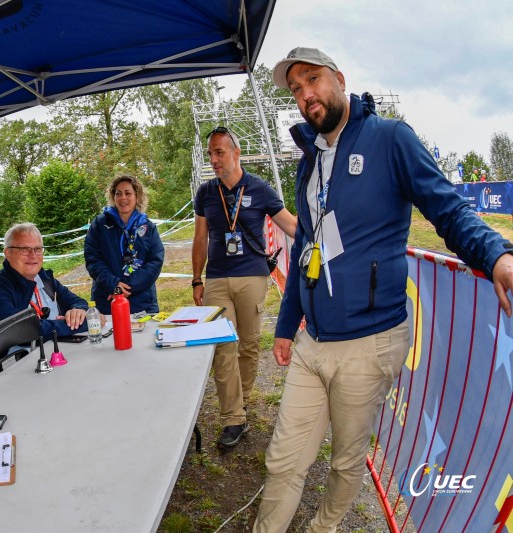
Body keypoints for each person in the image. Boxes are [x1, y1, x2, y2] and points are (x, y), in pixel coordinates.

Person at [253, 47, 513, 533]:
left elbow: (448, 208)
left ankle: (323, 527)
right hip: (314, 342)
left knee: (346, 461)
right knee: (283, 460)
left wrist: (495, 254)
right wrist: (287, 326)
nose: (305, 94)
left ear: (340, 78)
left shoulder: (391, 139)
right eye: (296, 89)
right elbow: (309, 246)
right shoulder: (308, 162)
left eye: (312, 80)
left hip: (371, 343)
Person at [192, 127, 297, 449]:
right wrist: (197, 278)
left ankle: (244, 398)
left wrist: (323, 233)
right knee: (224, 347)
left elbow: (291, 225)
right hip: (218, 279)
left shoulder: (259, 189)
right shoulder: (206, 193)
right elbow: (200, 238)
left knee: (249, 345)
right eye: (210, 153)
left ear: (236, 154)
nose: (214, 160)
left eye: (219, 153)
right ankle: (233, 418)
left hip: (252, 276)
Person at [0, 222, 90, 339]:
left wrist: (78, 311)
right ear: (8, 253)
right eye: (24, 249)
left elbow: (78, 301)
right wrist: (85, 323)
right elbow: (20, 331)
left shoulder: (45, 278)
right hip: (16, 356)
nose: (33, 255)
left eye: (38, 249)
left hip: (53, 351)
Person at [84, 175, 165, 315]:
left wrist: (125, 288)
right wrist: (114, 285)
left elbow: (154, 262)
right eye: (118, 193)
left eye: (128, 193)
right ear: (113, 197)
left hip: (142, 304)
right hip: (107, 302)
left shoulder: (148, 227)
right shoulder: (99, 224)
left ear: (137, 196)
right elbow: (93, 259)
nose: (123, 198)